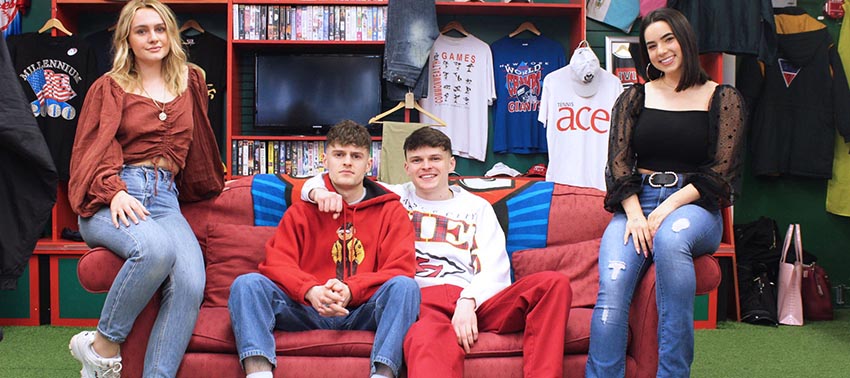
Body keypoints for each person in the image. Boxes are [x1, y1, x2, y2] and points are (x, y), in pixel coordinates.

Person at [303, 127, 573, 377]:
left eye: (435, 159)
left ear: (451, 164)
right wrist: (317, 192)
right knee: (427, 341)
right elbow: (338, 178)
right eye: (418, 160)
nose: (427, 167)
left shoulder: (477, 207)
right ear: (406, 167)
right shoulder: (391, 196)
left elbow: (494, 266)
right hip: (423, 299)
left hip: (474, 298)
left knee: (552, 284)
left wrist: (469, 301)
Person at [66, 0, 225, 377]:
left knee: (190, 280)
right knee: (154, 249)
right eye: (142, 30)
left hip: (165, 198)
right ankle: (102, 345)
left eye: (159, 28)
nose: (153, 37)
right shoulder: (110, 87)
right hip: (114, 196)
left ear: (171, 33)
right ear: (127, 40)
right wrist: (114, 190)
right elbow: (92, 149)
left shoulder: (191, 81)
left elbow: (200, 144)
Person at [585, 8, 746, 378]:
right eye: (652, 45)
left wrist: (667, 207)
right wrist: (637, 213)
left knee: (671, 241)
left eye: (668, 39)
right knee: (612, 286)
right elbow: (618, 165)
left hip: (694, 207)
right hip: (635, 204)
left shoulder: (722, 97)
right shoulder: (634, 98)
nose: (661, 51)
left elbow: (721, 172)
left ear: (685, 40)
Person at [228, 120, 420, 378]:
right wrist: (310, 290)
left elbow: (401, 267)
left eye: (356, 156)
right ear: (325, 159)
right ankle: (259, 374)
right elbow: (276, 263)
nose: (347, 162)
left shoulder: (391, 211)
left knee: (406, 288)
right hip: (306, 309)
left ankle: (383, 375)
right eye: (339, 154)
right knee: (247, 284)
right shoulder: (301, 210)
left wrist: (353, 289)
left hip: (362, 310)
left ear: (368, 164)